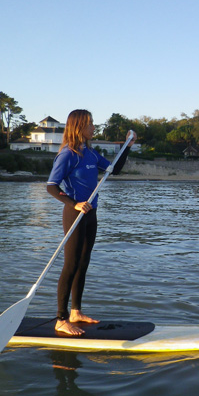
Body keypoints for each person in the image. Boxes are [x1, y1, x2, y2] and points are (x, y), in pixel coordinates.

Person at [46, 109, 136, 335]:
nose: (94, 127)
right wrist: (73, 203)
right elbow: (51, 186)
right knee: (70, 265)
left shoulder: (91, 153)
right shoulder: (68, 154)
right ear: (79, 127)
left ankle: (76, 311)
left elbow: (113, 169)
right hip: (75, 214)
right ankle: (61, 318)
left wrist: (127, 146)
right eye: (90, 124)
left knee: (83, 262)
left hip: (91, 213)